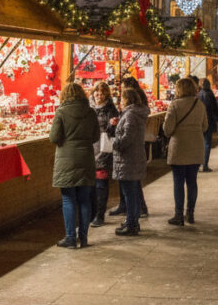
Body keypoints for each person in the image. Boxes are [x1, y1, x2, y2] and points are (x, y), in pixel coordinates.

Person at [49, 82, 99, 248]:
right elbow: (95, 136)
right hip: (86, 158)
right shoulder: (91, 112)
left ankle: (70, 238)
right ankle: (83, 238)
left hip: (66, 160)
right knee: (84, 199)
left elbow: (54, 137)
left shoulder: (61, 112)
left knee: (68, 199)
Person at [163, 77, 208, 225]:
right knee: (192, 181)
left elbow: (167, 129)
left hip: (179, 147)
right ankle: (190, 213)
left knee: (178, 182)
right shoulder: (199, 104)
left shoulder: (174, 105)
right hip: (196, 146)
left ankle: (178, 215)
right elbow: (205, 126)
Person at [112, 87, 150, 236]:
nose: (120, 102)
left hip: (128, 159)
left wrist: (115, 143)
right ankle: (131, 221)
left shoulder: (131, 115)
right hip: (133, 158)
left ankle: (132, 224)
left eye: (122, 99)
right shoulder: (135, 114)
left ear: (127, 99)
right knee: (131, 192)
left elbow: (128, 137)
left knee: (130, 193)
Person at [90, 81, 118, 228]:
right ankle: (92, 212)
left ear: (106, 94)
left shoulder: (111, 109)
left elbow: (114, 132)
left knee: (101, 183)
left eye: (102, 93)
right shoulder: (88, 107)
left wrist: (111, 125)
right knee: (91, 184)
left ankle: (99, 215)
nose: (98, 95)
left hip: (104, 149)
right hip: (89, 148)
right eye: (96, 92)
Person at [197, 78, 218, 172]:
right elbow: (214, 108)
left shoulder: (198, 95)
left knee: (199, 144)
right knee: (207, 143)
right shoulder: (210, 94)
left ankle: (198, 165)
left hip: (199, 121)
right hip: (208, 121)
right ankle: (205, 165)